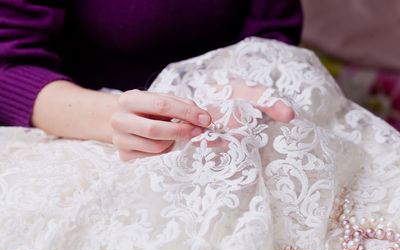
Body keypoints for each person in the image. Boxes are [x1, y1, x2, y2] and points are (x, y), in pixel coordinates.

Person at [0, 0, 302, 161]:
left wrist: (246, 83)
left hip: (221, 121)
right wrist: (111, 116)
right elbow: (8, 65)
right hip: (82, 125)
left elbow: (273, 33)